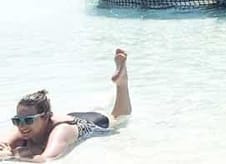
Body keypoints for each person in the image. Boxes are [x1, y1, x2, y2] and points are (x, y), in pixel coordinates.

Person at [0, 49, 131, 161]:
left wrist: (11, 156)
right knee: (24, 150)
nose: (22, 125)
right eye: (17, 121)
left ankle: (122, 82)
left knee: (120, 117)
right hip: (70, 117)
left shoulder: (62, 131)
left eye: (28, 120)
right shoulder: (24, 128)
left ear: (46, 117)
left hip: (93, 122)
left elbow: (46, 159)